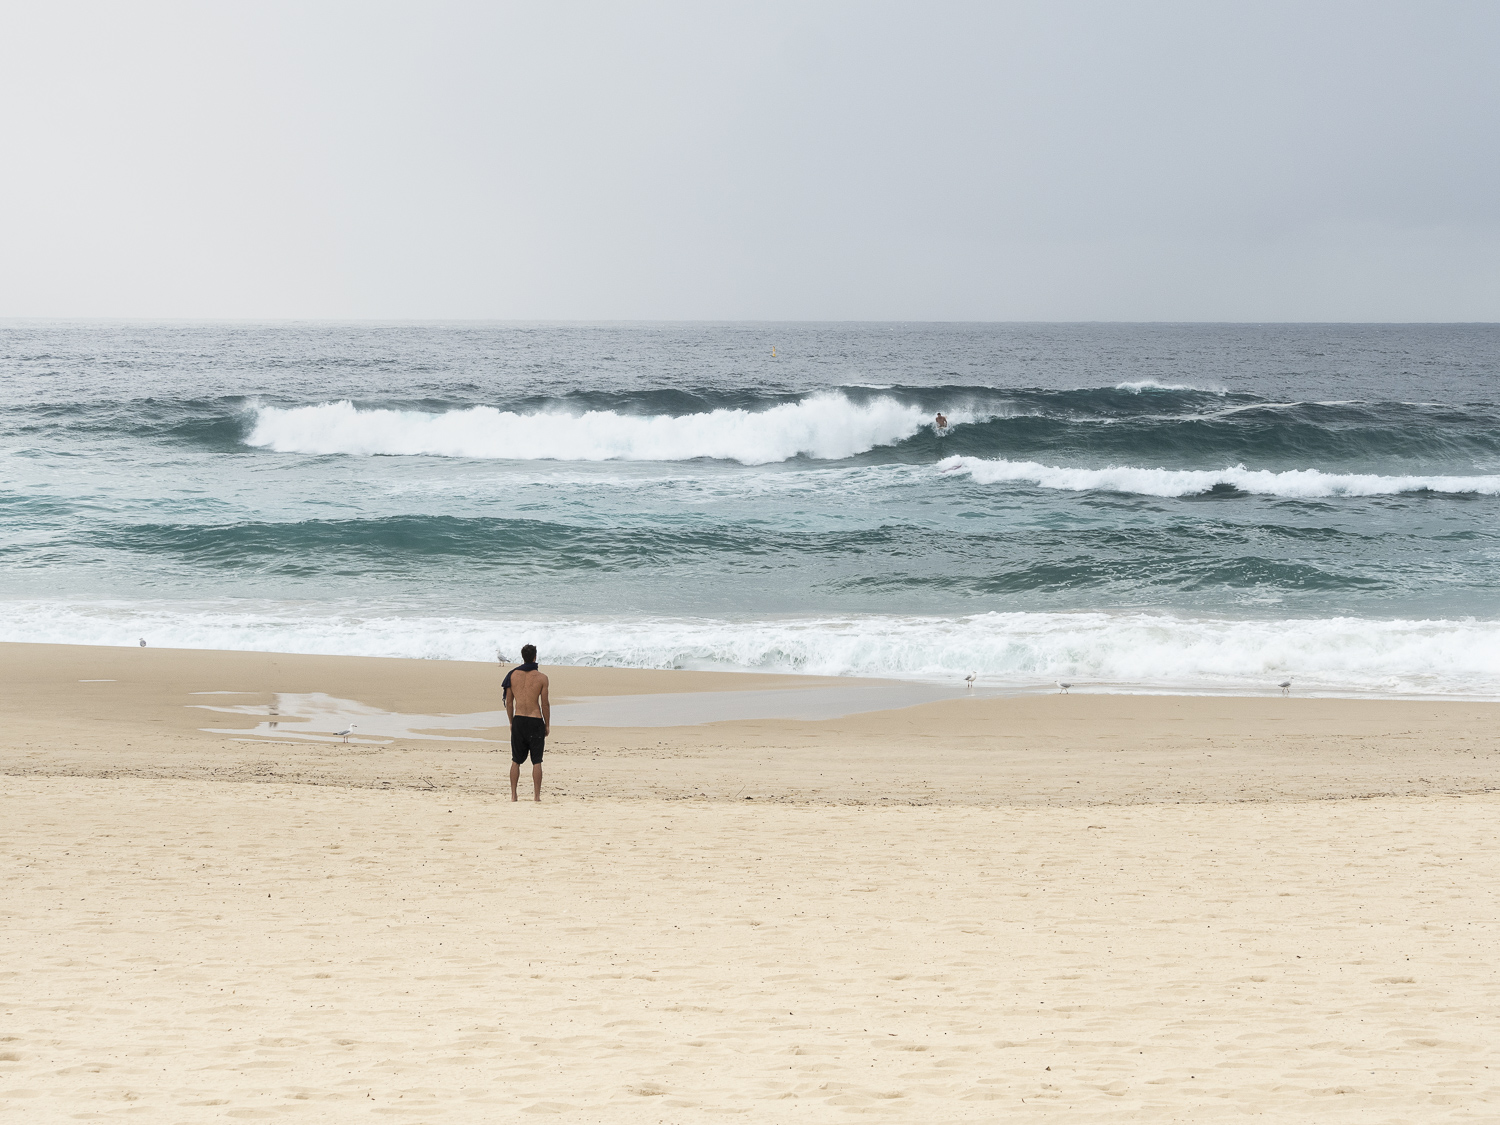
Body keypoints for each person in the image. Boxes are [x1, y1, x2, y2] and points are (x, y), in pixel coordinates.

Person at [503, 644, 550, 802]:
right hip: (535, 720)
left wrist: (511, 722)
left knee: (515, 760)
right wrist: (547, 724)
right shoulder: (542, 678)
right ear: (535, 657)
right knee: (537, 761)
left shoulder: (512, 676)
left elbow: (509, 703)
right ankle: (536, 797)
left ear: (523, 657)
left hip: (519, 720)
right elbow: (545, 704)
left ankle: (513, 796)